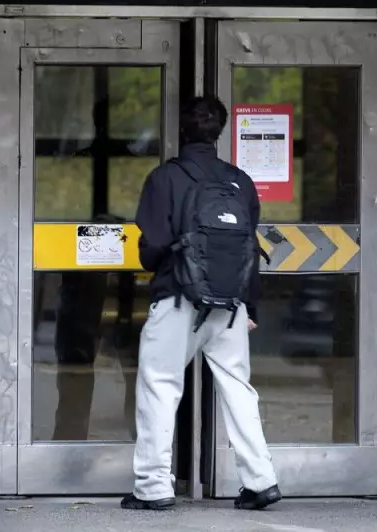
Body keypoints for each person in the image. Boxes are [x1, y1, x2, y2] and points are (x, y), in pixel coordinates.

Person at [121, 95, 281, 511]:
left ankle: (153, 487)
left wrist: (156, 262)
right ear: (220, 131)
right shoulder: (240, 181)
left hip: (178, 298)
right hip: (230, 306)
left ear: (181, 129)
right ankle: (262, 480)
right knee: (239, 389)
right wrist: (249, 307)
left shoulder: (165, 179)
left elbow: (153, 246)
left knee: (160, 384)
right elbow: (247, 248)